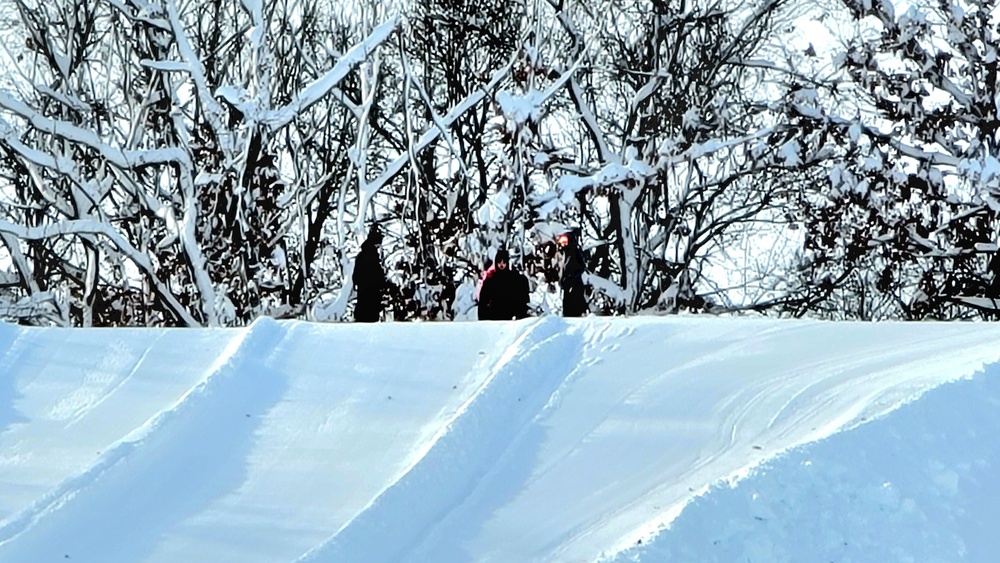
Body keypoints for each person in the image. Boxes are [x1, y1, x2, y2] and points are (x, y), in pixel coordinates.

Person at [478, 248, 530, 320]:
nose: (501, 264)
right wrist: (483, 317)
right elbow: (483, 301)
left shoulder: (513, 278)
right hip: (494, 317)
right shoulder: (491, 280)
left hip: (510, 317)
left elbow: (521, 295)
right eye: (499, 262)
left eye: (504, 262)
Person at [353, 225, 386, 322]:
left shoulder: (362, 255)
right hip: (370, 299)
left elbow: (356, 277)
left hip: (365, 298)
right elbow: (376, 276)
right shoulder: (371, 257)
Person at [558, 230, 588, 317]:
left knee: (575, 306)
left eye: (565, 242)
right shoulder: (564, 255)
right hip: (567, 286)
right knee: (567, 308)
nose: (563, 244)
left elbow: (581, 267)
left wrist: (573, 279)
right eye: (562, 242)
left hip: (575, 285)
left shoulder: (575, 252)